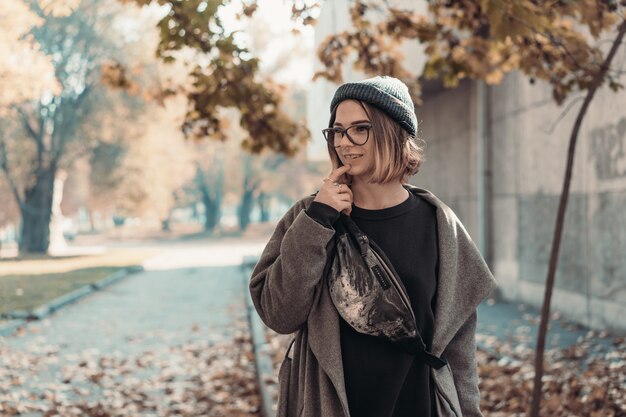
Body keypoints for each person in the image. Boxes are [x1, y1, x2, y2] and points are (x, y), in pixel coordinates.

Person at [249, 76, 497, 417]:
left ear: (393, 132)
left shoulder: (439, 225)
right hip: (332, 405)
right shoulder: (310, 217)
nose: (344, 142)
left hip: (420, 405)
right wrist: (318, 220)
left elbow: (459, 353)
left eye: (359, 128)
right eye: (337, 130)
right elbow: (279, 313)